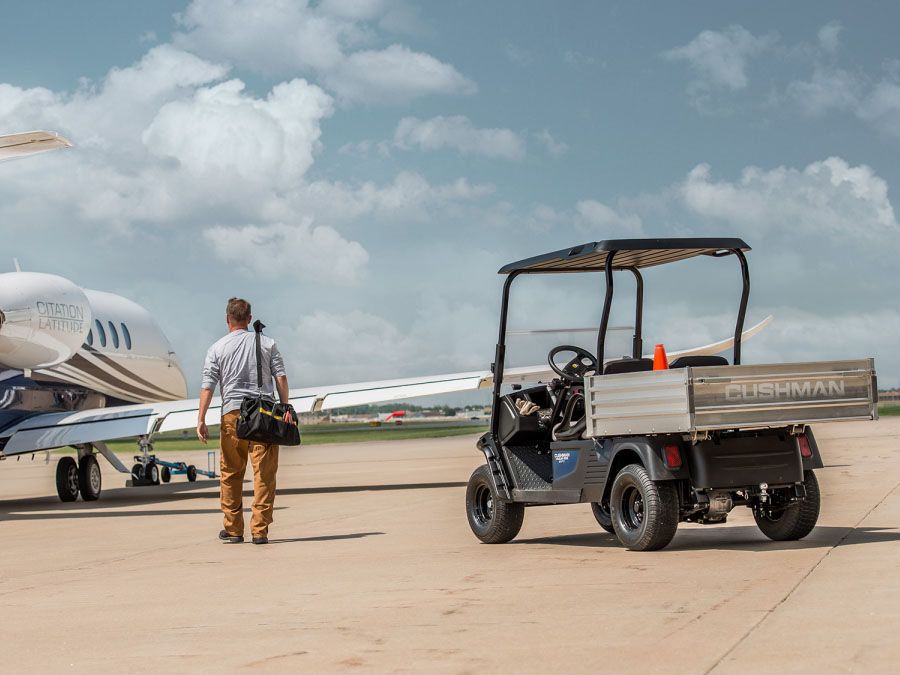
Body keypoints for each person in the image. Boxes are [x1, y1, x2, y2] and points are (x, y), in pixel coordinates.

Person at [197, 297, 289, 545]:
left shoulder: (217, 348)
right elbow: (280, 377)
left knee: (230, 473)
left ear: (227, 319)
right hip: (264, 414)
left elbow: (208, 387)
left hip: (232, 415)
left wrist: (201, 419)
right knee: (264, 474)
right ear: (249, 319)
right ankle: (259, 529)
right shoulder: (268, 343)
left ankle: (234, 528)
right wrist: (285, 407)